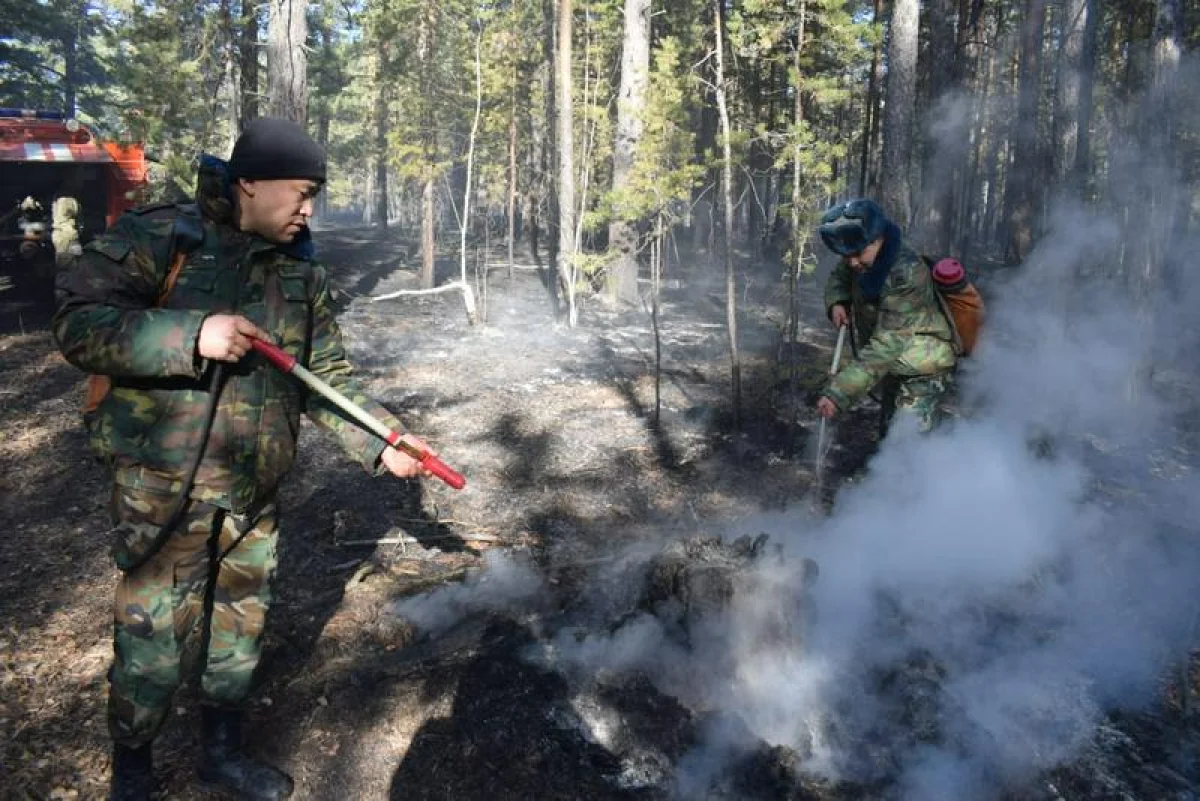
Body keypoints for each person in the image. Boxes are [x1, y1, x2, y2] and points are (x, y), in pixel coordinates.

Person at [53, 117, 437, 801]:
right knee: (152, 641)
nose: (309, 209)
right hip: (164, 487)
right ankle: (132, 776)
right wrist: (192, 332)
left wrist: (386, 441)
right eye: (303, 192)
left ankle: (221, 754)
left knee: (240, 629)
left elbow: (324, 377)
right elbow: (79, 321)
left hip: (252, 491)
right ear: (251, 183)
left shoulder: (299, 268)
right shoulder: (164, 236)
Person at [814, 198, 958, 437]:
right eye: (845, 255)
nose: (852, 262)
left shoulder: (907, 273)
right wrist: (837, 302)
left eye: (858, 253)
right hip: (894, 364)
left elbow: (886, 344)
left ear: (878, 238)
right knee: (890, 434)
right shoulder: (858, 257)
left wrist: (838, 393)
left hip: (923, 367)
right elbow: (840, 277)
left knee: (907, 443)